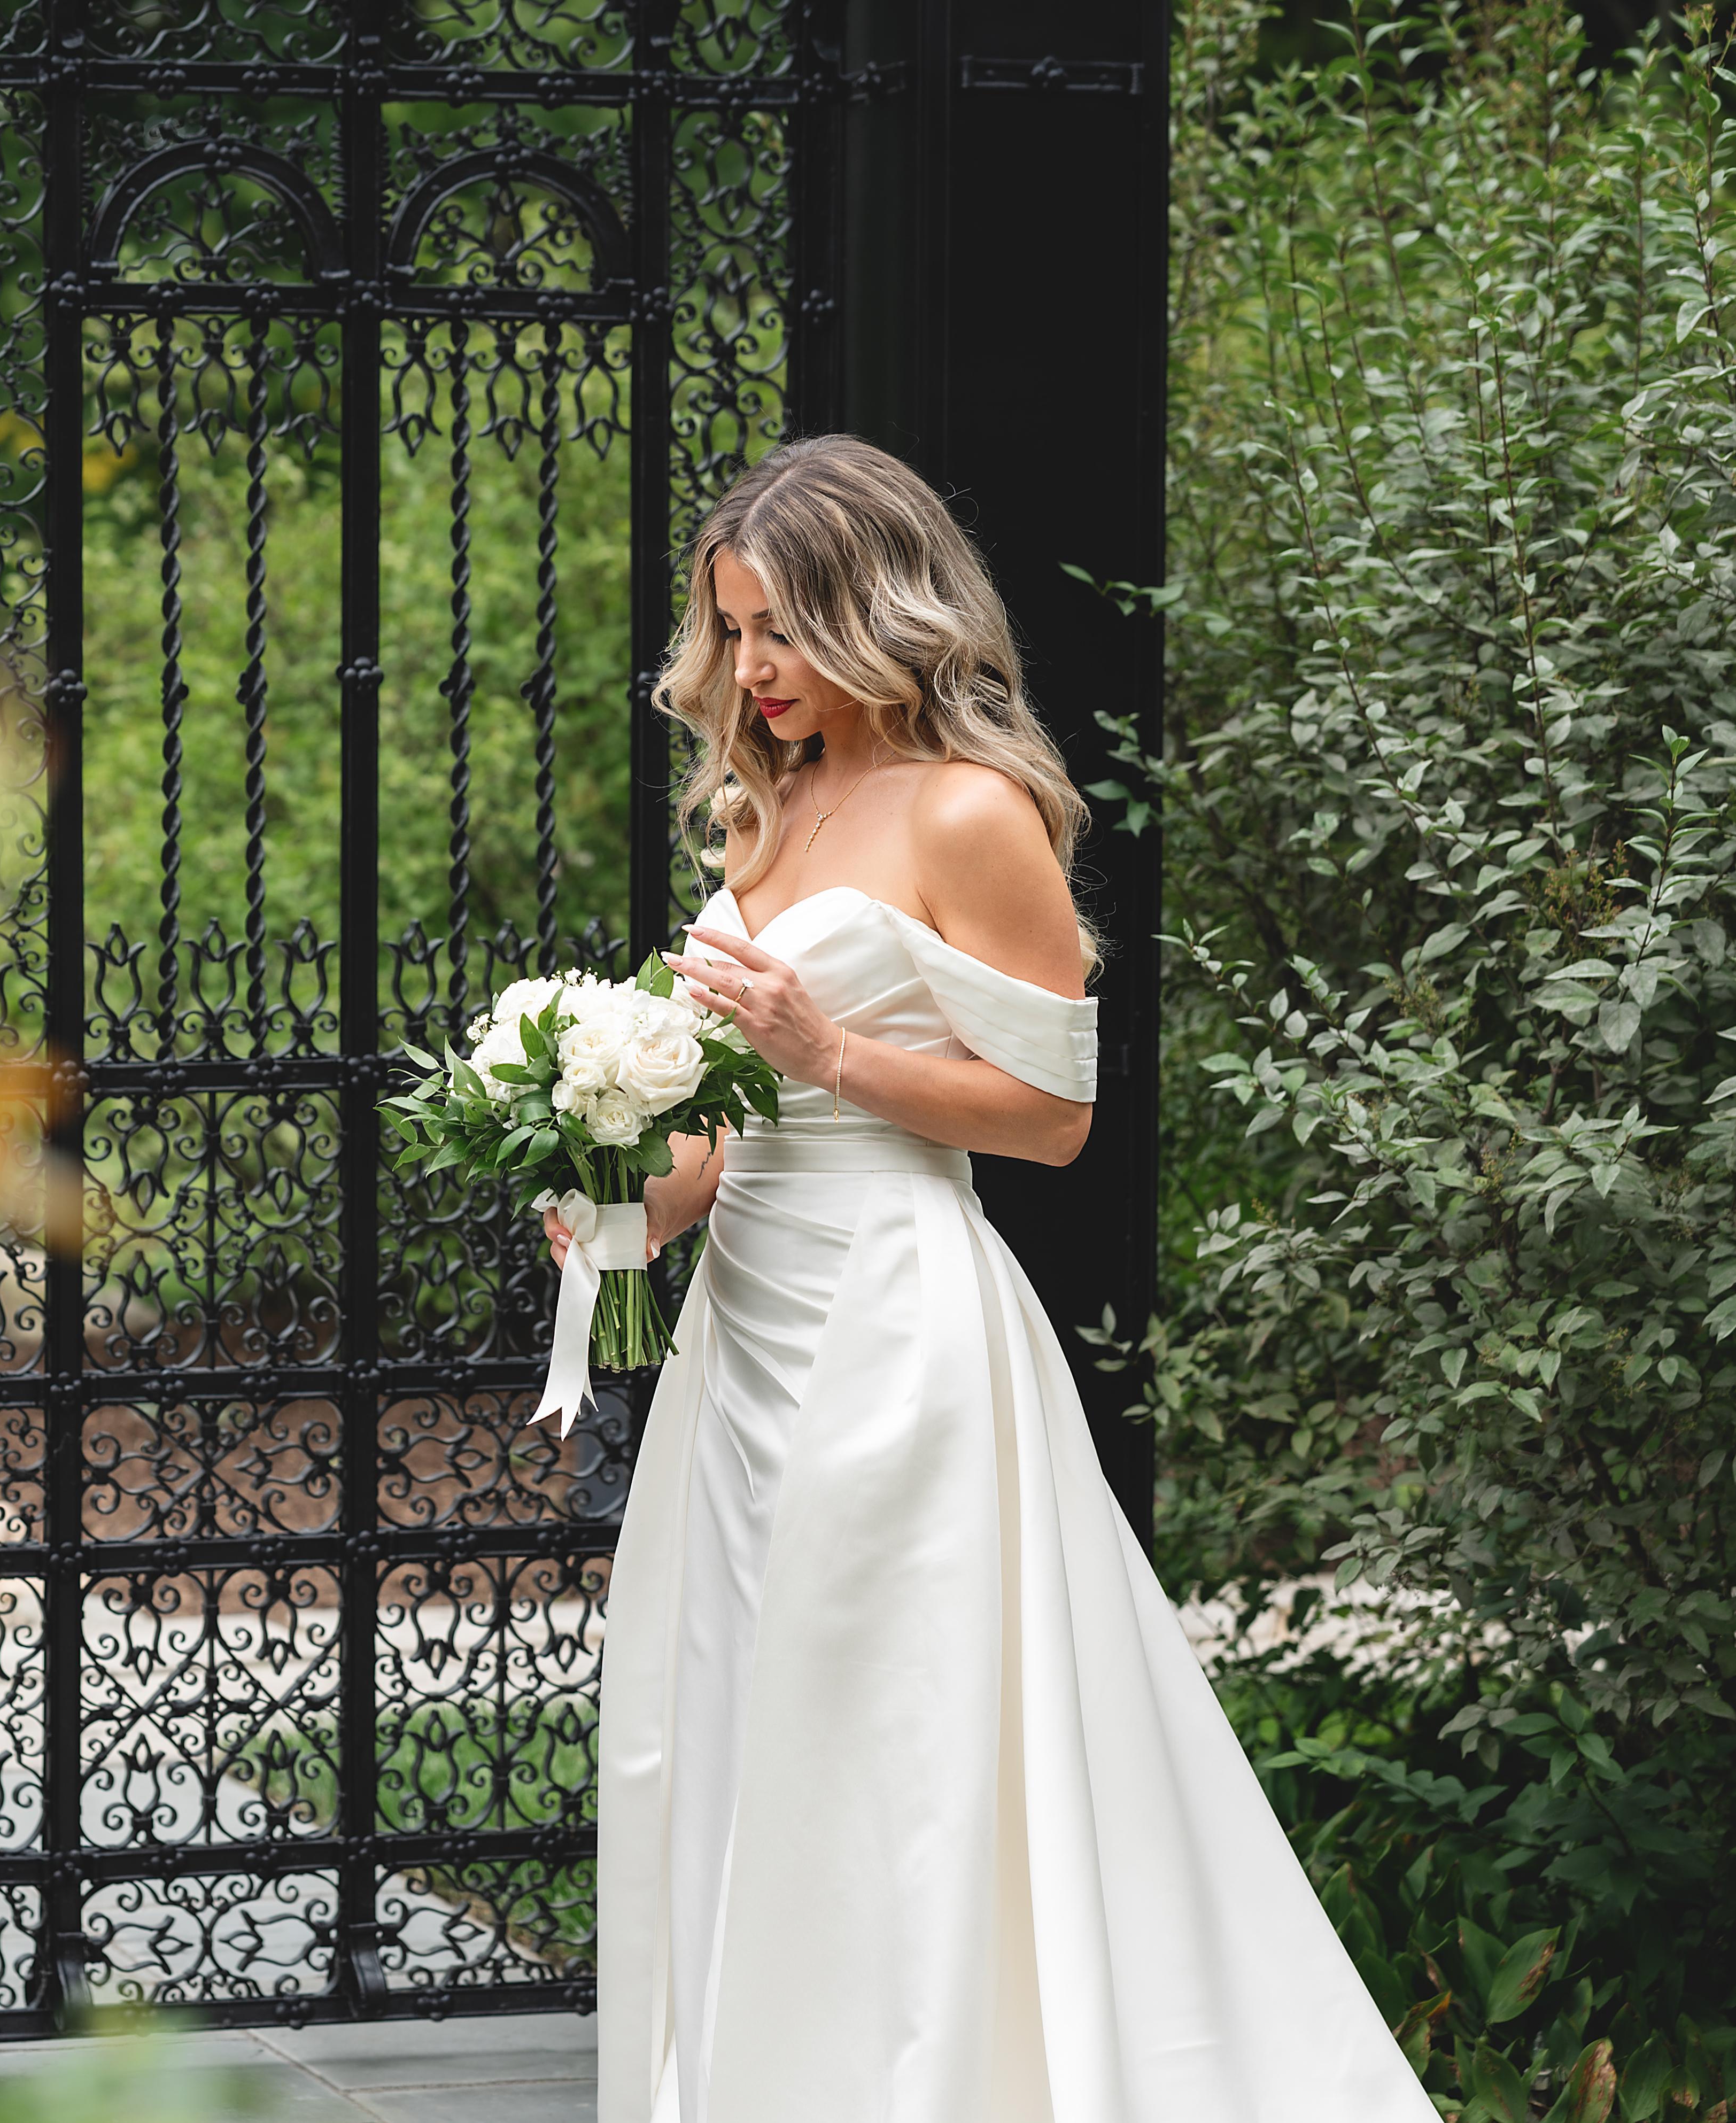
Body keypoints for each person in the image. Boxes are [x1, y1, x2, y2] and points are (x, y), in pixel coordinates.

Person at [569, 435, 1431, 2121]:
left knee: (896, 1731)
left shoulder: (972, 811)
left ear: (872, 608)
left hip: (895, 1331)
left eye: (780, 628)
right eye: (731, 628)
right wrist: (616, 1206)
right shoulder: (761, 809)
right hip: (738, 1344)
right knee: (741, 1720)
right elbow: (725, 1136)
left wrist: (828, 1048)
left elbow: (1052, 1119)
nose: (751, 666)